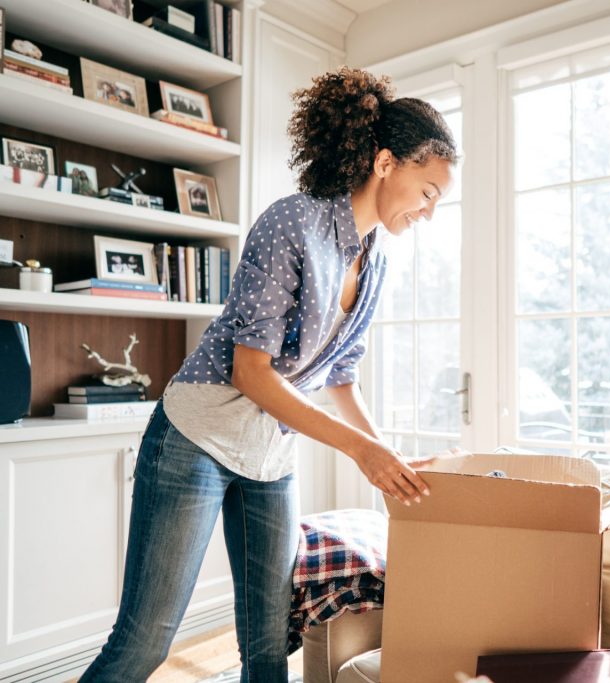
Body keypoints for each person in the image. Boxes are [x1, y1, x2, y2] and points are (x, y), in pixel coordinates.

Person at [80, 66, 458, 680]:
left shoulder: (376, 259)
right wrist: (362, 451)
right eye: (429, 191)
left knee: (267, 645)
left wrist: (390, 459)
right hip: (195, 440)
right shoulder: (293, 223)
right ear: (387, 163)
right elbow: (251, 372)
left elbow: (339, 374)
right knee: (144, 643)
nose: (429, 211)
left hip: (272, 457)